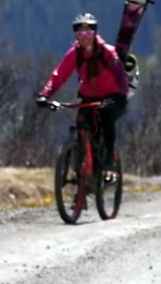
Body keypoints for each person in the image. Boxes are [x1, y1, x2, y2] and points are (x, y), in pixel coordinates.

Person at [35, 13, 129, 169]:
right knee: (82, 127)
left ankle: (108, 160)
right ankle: (81, 171)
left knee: (106, 119)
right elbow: (59, 75)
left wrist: (122, 95)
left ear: (95, 34)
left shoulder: (107, 52)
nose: (85, 37)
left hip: (112, 97)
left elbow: (121, 74)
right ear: (76, 36)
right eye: (80, 34)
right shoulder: (75, 54)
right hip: (89, 99)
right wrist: (45, 94)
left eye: (88, 33)